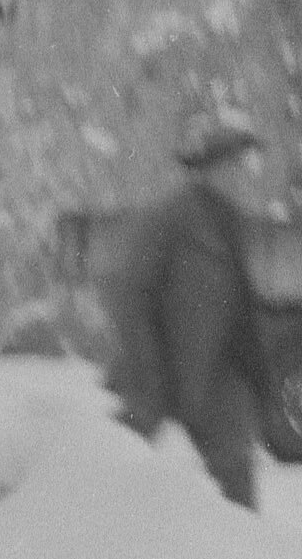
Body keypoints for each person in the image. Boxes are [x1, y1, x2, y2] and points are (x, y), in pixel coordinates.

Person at [102, 111, 279, 506]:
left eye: (242, 166)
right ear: (207, 170)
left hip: (218, 375)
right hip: (163, 371)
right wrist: (148, 369)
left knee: (236, 483)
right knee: (109, 467)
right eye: (231, 166)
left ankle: (240, 547)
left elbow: (238, 305)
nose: (240, 176)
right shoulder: (171, 217)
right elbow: (131, 296)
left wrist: (256, 375)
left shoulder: (231, 221)